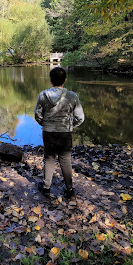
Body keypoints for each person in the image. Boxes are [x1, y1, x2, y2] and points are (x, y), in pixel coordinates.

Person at [34, 67, 84, 199]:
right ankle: (69, 189)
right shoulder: (72, 96)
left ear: (50, 81)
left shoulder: (43, 95)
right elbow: (80, 118)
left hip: (49, 132)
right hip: (65, 133)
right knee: (65, 160)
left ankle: (46, 187)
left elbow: (38, 115)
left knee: (49, 159)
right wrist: (70, 126)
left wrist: (45, 124)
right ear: (65, 80)